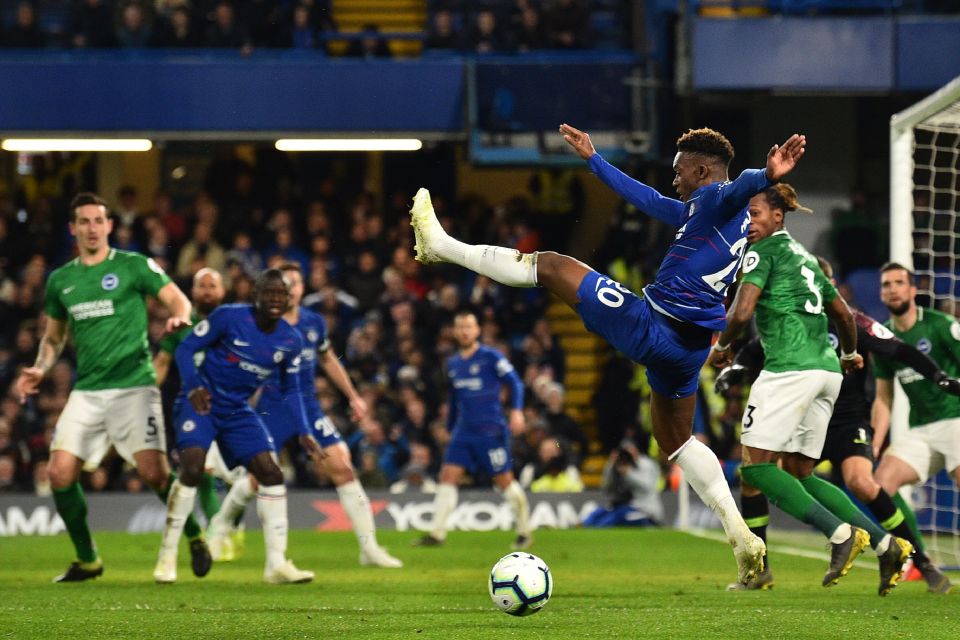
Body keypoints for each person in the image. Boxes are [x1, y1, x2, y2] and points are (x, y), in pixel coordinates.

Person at [408, 123, 807, 584]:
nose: (674, 180)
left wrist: (768, 174)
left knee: (552, 265)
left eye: (680, 172)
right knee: (675, 439)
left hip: (654, 325)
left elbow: (740, 185)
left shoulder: (720, 197)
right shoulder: (709, 211)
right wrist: (593, 160)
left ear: (702, 170)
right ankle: (740, 537)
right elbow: (648, 200)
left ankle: (441, 247)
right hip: (689, 350)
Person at [709, 184, 912, 596]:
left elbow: (742, 311)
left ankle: (840, 534)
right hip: (827, 372)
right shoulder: (806, 257)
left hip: (788, 369)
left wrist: (724, 346)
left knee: (754, 468)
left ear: (778, 217)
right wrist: (851, 353)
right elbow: (841, 312)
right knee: (800, 471)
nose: (749, 223)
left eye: (756, 214)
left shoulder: (762, 252)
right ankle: (887, 544)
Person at [716, 255, 955, 593]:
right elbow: (752, 351)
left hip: (845, 418)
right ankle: (763, 571)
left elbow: (900, 351)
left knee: (859, 481)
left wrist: (938, 376)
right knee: (763, 477)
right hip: (806, 417)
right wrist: (732, 372)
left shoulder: (852, 321)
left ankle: (920, 562)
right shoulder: (789, 323)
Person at [14, 192, 210, 583]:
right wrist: (39, 367)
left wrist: (178, 320)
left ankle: (194, 535)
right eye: (83, 221)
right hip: (87, 391)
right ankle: (88, 559)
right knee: (59, 474)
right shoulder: (61, 280)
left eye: (98, 220)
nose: (92, 228)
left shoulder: (134, 266)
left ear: (109, 225)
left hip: (135, 387)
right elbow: (53, 338)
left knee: (155, 474)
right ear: (73, 228)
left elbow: (179, 301)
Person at [206, 262, 402, 568]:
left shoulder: (313, 323)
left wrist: (352, 396)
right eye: (285, 284)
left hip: (308, 406)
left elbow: (328, 360)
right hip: (272, 407)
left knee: (343, 467)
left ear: (301, 288)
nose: (291, 289)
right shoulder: (261, 323)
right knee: (259, 478)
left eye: (296, 283)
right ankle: (222, 524)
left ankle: (370, 548)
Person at [154, 269, 317, 584]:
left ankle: (276, 565)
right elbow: (186, 349)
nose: (274, 299)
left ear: (288, 300)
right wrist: (192, 387)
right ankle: (167, 556)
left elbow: (292, 390)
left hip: (236, 410)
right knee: (192, 468)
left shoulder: (290, 339)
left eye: (280, 295)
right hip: (201, 402)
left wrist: (304, 429)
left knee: (271, 473)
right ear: (255, 295)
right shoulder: (229, 317)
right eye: (268, 293)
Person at [871, 262, 960, 590]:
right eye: (886, 284)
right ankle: (922, 563)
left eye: (898, 282)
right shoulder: (881, 337)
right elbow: (884, 397)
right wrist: (876, 441)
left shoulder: (941, 326)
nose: (892, 288)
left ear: (912, 289)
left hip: (955, 420)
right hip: (919, 430)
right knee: (878, 486)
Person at [414, 310, 532, 549]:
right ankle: (437, 534)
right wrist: (449, 428)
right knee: (447, 476)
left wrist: (517, 411)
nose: (465, 331)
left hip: (491, 430)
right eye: (460, 327)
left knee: (504, 480)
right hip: (463, 432)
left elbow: (516, 382)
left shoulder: (491, 357)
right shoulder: (453, 363)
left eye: (469, 326)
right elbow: (455, 398)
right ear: (455, 332)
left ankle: (524, 531)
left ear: (477, 330)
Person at [153, 268, 228, 525]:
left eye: (212, 286)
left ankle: (227, 526)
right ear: (193, 292)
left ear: (222, 291)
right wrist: (145, 393)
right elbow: (162, 363)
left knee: (243, 475)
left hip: (230, 405)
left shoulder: (232, 324)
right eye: (202, 285)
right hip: (194, 406)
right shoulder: (182, 327)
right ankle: (220, 533)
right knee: (202, 470)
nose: (207, 290)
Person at [582, 439, 663, 527]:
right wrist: (611, 465)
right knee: (598, 514)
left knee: (613, 518)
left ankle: (597, 532)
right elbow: (606, 489)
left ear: (635, 450)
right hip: (624, 508)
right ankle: (583, 529)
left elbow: (647, 487)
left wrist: (628, 474)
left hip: (645, 511)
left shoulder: (646, 464)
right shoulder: (619, 465)